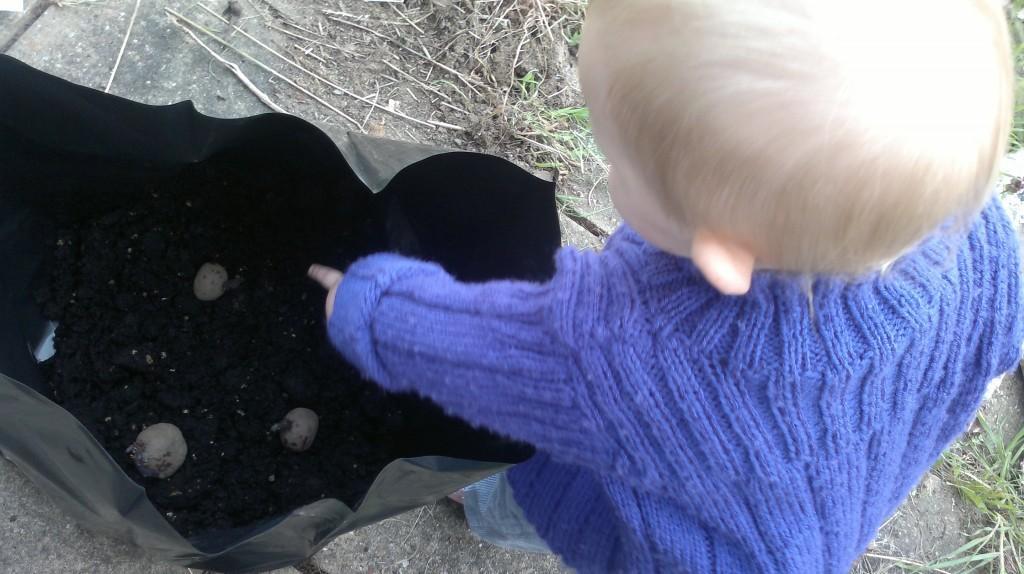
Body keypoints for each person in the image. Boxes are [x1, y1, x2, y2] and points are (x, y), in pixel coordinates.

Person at [308, 0, 1023, 571]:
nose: (607, 166)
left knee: (528, 486)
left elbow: (471, 349)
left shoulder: (630, 346)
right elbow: (1000, 344)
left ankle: (478, 506)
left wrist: (367, 305)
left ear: (722, 254)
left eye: (617, 162)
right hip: (819, 520)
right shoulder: (978, 231)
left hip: (670, 546)